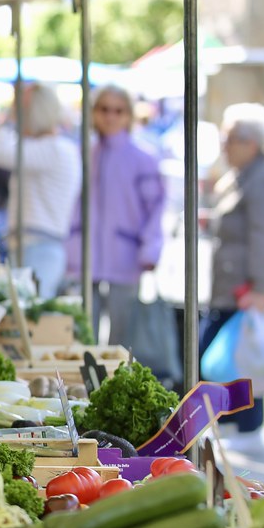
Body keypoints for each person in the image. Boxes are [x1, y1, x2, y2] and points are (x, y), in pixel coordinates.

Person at [65, 84, 166, 345]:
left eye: (118, 110)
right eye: (104, 109)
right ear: (93, 112)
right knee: (84, 333)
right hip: (85, 256)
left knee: (122, 338)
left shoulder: (143, 158)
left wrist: (150, 248)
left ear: (129, 115)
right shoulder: (83, 153)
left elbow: (155, 207)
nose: (110, 116)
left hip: (127, 255)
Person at [200, 102, 264, 434]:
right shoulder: (241, 176)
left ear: (251, 143)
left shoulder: (260, 180)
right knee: (235, 359)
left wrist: (260, 288)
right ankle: (240, 422)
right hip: (231, 284)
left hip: (242, 289)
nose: (224, 146)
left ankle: (244, 423)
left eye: (230, 139)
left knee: (234, 359)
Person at [0, 82, 81, 299]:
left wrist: (10, 117)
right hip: (35, 245)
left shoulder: (54, 149)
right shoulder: (53, 148)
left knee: (30, 315)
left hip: (39, 247)